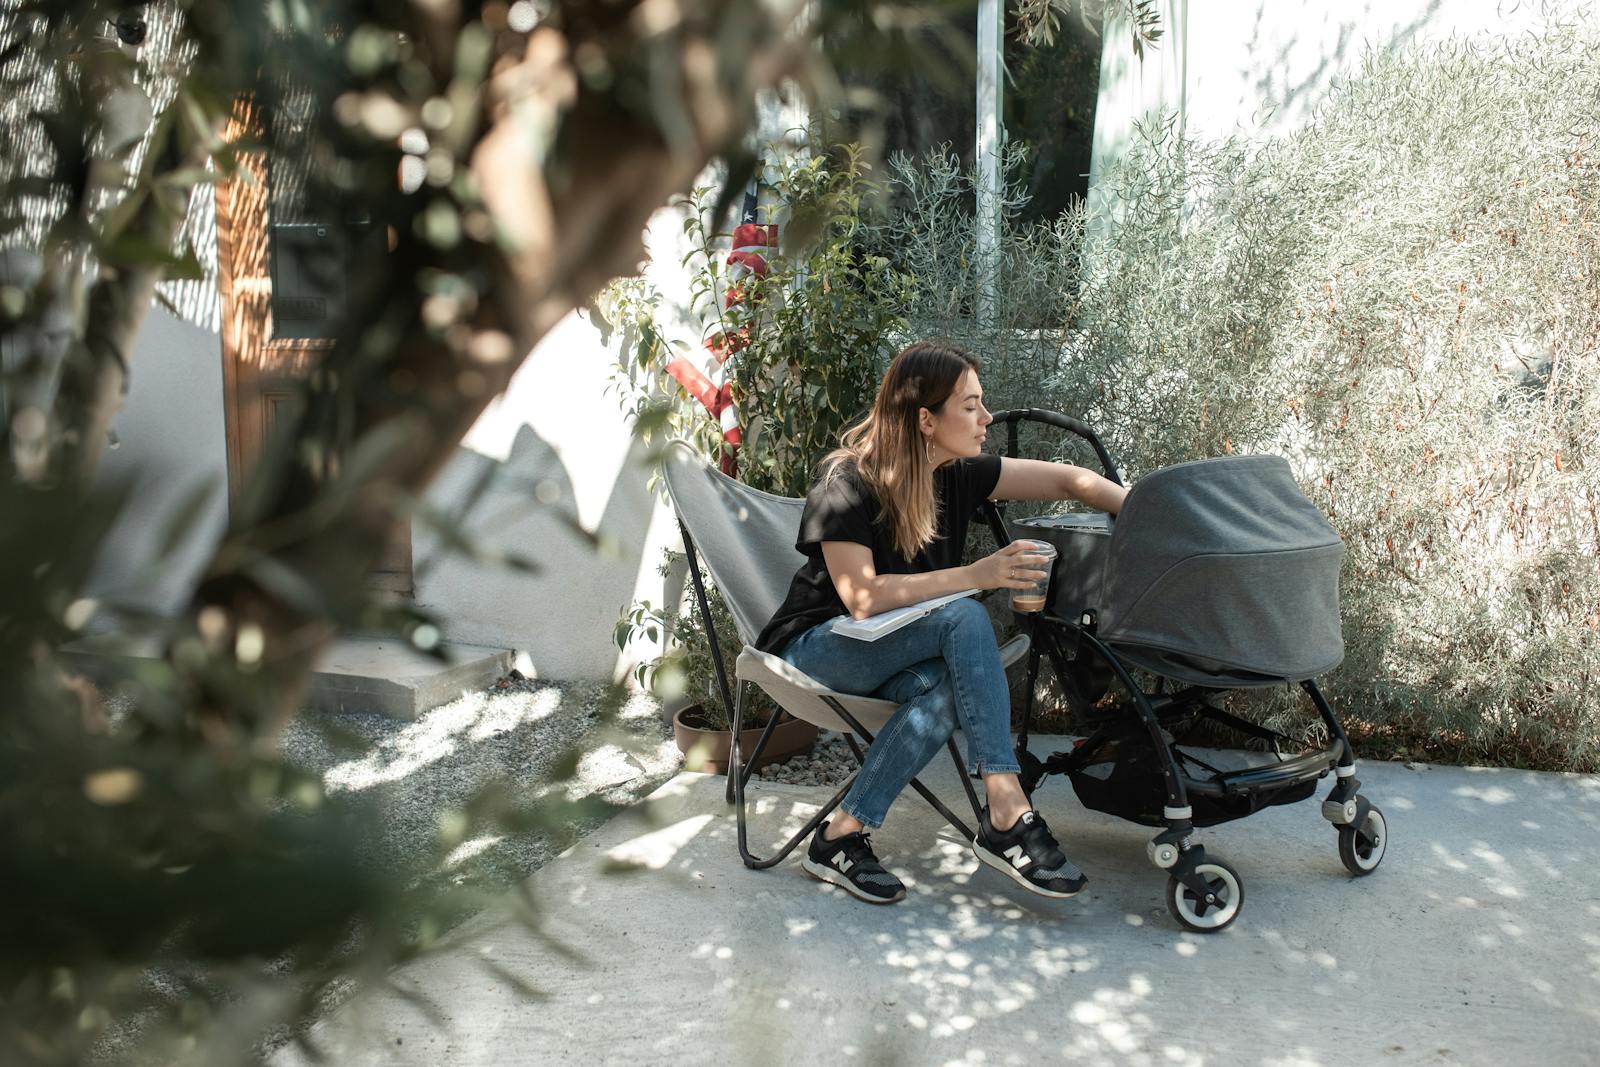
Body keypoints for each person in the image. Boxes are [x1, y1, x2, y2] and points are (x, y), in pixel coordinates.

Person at [753, 340, 1127, 904]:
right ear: (926, 419)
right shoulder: (845, 482)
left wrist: (1149, 512)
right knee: (964, 617)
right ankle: (1006, 808)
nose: (987, 417)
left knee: (955, 690)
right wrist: (978, 574)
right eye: (971, 404)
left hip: (895, 656)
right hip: (817, 651)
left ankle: (840, 836)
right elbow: (861, 599)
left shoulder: (957, 475)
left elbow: (1070, 481)